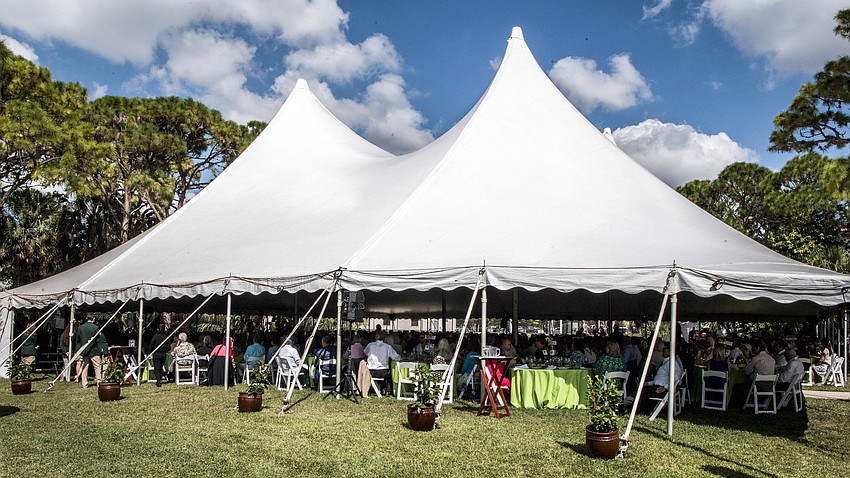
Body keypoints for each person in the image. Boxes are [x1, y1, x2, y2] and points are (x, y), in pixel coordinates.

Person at [641, 343, 684, 408]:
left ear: (670, 351)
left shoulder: (672, 364)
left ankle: (625, 406)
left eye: (665, 349)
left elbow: (675, 379)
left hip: (662, 389)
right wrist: (647, 383)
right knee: (640, 389)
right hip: (657, 386)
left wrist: (665, 388)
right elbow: (660, 379)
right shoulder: (666, 362)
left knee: (640, 393)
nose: (663, 350)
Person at [360, 331, 400, 396]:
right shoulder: (387, 347)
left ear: (375, 337)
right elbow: (395, 357)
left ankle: (375, 389)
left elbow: (365, 352)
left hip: (371, 370)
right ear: (384, 338)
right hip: (383, 371)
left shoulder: (370, 345)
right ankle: (387, 390)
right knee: (390, 376)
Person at [75, 315, 109, 388]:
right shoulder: (96, 328)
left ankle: (84, 383)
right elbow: (98, 339)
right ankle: (99, 382)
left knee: (85, 366)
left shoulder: (80, 328)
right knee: (97, 366)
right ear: (93, 319)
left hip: (84, 350)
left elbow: (77, 339)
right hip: (94, 350)